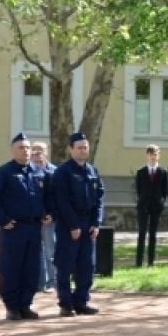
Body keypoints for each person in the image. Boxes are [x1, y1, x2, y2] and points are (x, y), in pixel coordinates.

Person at [0, 133, 51, 321]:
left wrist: (49, 212)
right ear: (12, 151)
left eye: (28, 147)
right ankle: (12, 307)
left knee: (31, 268)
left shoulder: (39, 172)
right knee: (12, 268)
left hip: (34, 227)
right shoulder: (4, 173)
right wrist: (3, 219)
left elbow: (48, 195)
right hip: (14, 228)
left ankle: (25, 305)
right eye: (21, 147)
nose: (26, 151)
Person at [50, 132, 104, 317]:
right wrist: (73, 225)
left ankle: (81, 301)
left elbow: (99, 199)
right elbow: (62, 201)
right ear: (71, 149)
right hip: (69, 224)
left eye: (85, 147)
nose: (83, 151)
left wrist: (96, 223)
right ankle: (66, 304)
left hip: (88, 223)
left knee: (87, 265)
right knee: (65, 264)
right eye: (79, 147)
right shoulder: (63, 172)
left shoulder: (92, 171)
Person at [29, 142, 58, 292]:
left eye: (40, 151)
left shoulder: (55, 172)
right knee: (36, 251)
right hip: (33, 219)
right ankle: (40, 283)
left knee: (50, 251)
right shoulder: (28, 172)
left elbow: (58, 197)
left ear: (46, 152)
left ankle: (53, 282)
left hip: (49, 219)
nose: (37, 155)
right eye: (34, 151)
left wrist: (52, 214)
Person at [133, 145, 168, 267]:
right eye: (151, 154)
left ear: (159, 156)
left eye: (155, 154)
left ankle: (151, 262)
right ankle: (138, 262)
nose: (153, 157)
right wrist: (143, 199)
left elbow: (164, 190)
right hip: (143, 205)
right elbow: (138, 189)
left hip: (156, 206)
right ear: (147, 156)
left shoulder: (163, 172)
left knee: (153, 234)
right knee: (142, 232)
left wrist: (160, 202)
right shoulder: (141, 172)